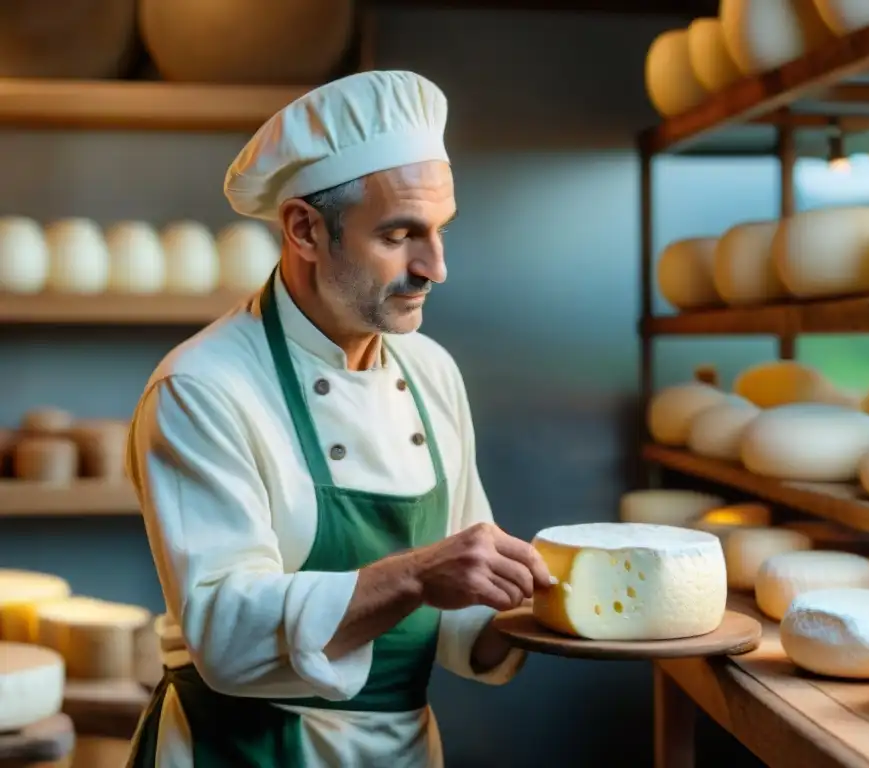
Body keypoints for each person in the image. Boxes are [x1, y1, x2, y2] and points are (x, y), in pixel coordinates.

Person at [124, 70, 552, 768]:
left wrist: (549, 609)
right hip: (246, 751)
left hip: (404, 750)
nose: (435, 267)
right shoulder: (201, 388)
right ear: (304, 230)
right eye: (399, 235)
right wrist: (416, 576)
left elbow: (462, 619)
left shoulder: (432, 371)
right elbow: (227, 634)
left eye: (441, 231)